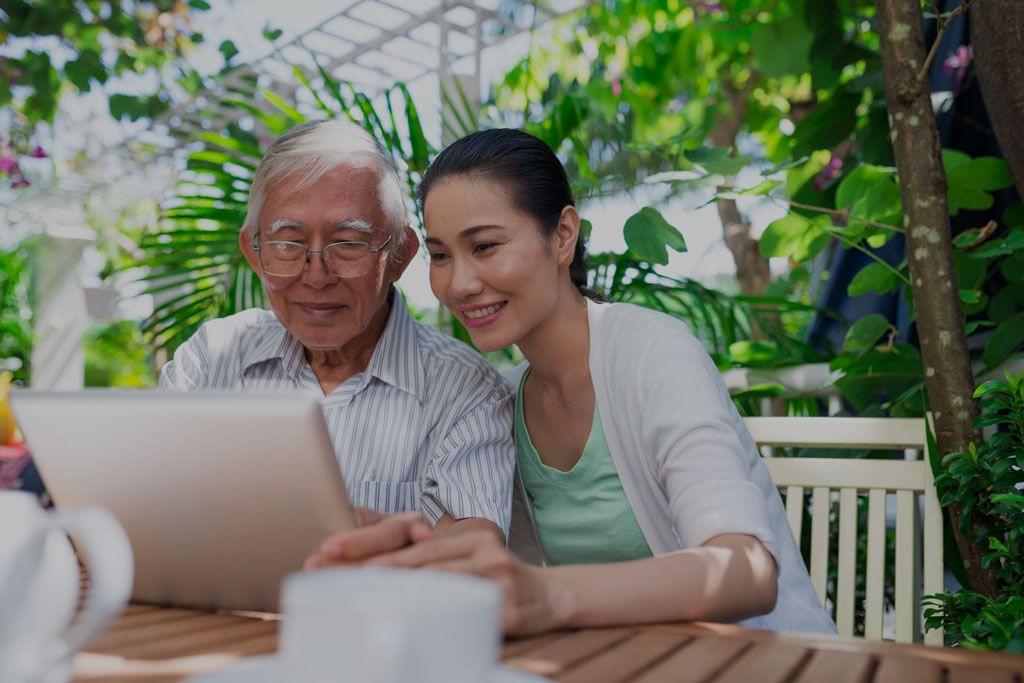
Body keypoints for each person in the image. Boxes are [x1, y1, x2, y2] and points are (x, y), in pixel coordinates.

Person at [306, 128, 835, 637]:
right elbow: (495, 571)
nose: (459, 283)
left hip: (764, 662)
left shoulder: (651, 353)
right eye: (441, 255)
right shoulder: (506, 399)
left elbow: (745, 571)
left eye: (485, 246)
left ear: (561, 237)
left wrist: (550, 594)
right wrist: (408, 549)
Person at [159, 120, 514, 542]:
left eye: (348, 243)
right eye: (288, 244)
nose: (317, 276)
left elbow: (472, 554)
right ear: (253, 253)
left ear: (399, 256)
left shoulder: (464, 392)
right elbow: (139, 499)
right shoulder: (208, 360)